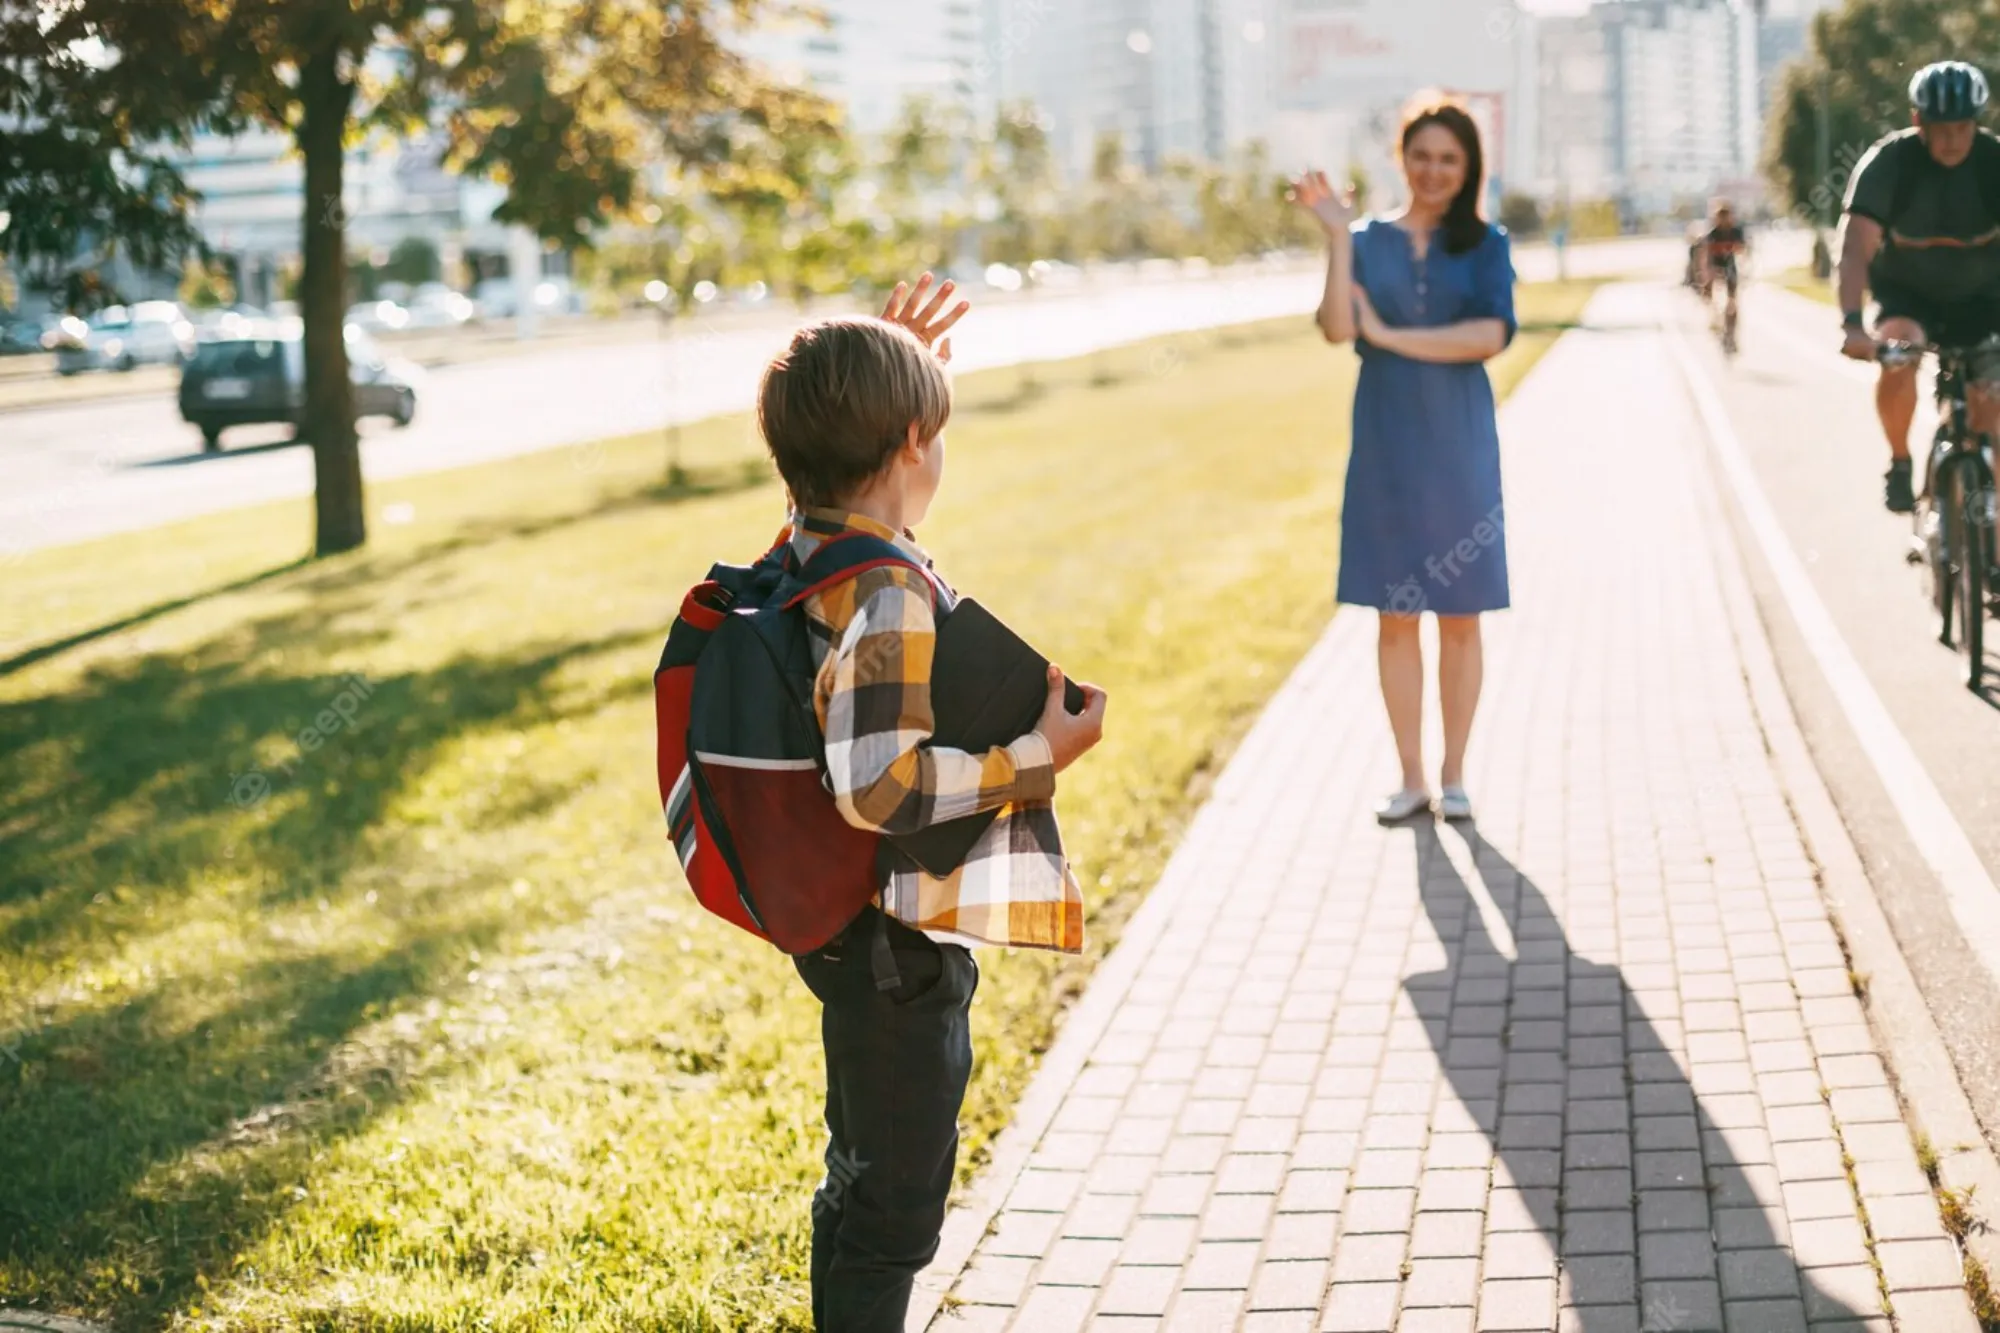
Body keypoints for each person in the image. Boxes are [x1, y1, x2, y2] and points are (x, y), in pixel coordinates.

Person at [758, 276, 1108, 1332]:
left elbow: (824, 479)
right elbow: (880, 786)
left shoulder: (810, 545)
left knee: (860, 1170)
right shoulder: (885, 593)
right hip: (892, 948)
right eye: (934, 429)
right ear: (912, 441)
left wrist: (874, 377)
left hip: (850, 936)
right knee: (895, 1211)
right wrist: (1033, 756)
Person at [1291, 94, 1517, 825]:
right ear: (1402, 157)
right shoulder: (1367, 239)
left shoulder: (1487, 244)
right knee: (1395, 615)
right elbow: (1334, 328)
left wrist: (1388, 336)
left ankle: (1455, 776)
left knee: (1459, 614)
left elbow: (1488, 335)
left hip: (1459, 447)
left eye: (1449, 158)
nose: (1433, 170)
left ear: (1468, 167)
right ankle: (1412, 777)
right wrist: (1336, 239)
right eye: (1421, 155)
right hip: (1387, 446)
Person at [1840, 60, 2000, 513]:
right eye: (1940, 128)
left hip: (1985, 300)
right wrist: (1852, 323)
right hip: (1908, 297)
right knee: (1898, 352)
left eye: (1962, 128)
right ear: (1918, 122)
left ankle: (1988, 530)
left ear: (1977, 123)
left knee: (1992, 405)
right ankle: (1901, 460)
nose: (1952, 140)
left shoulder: (1993, 163)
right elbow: (1855, 249)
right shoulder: (1890, 164)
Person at [1699, 199, 1748, 352]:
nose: (1723, 221)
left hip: (1730, 269)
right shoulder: (1712, 234)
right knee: (1715, 300)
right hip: (1714, 269)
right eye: (1720, 217)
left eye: (1726, 217)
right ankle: (1716, 322)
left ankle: (1731, 331)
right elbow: (1705, 256)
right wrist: (1706, 276)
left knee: (1732, 303)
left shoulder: (1736, 232)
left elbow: (1743, 252)